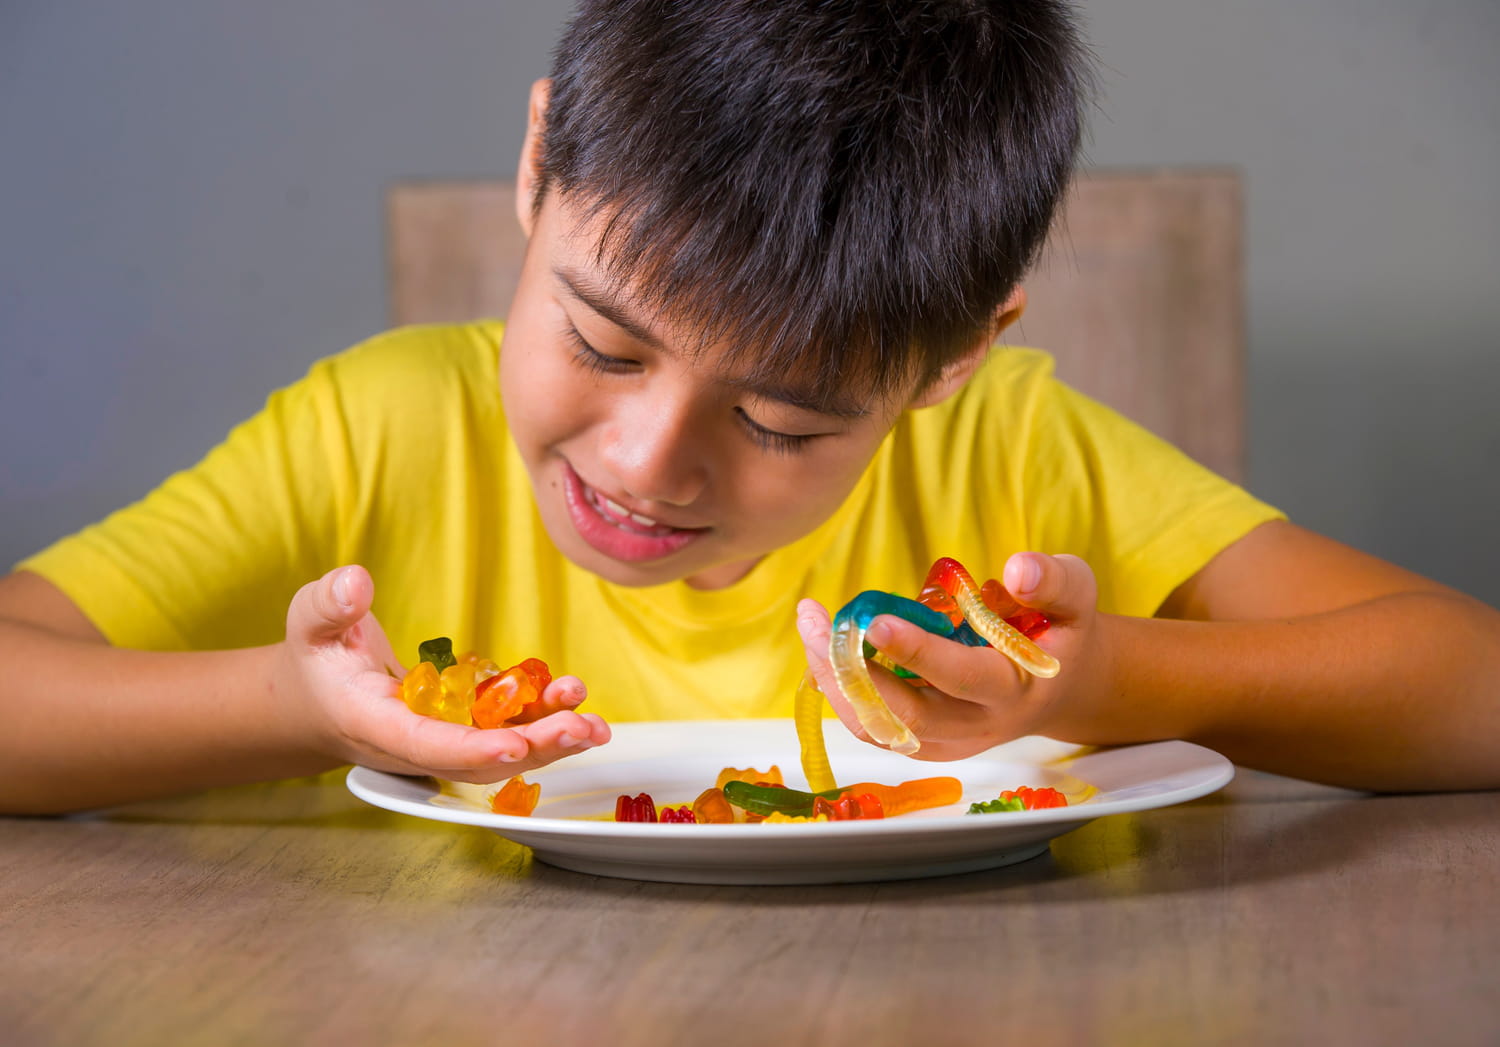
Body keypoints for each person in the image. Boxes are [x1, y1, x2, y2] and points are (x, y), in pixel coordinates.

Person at [2, 1, 1496, 816]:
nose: (649, 462)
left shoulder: (1014, 445)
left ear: (954, 358)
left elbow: (1474, 685)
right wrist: (286, 708)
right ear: (538, 168)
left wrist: (1118, 686)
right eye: (600, 340)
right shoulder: (375, 430)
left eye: (786, 427)